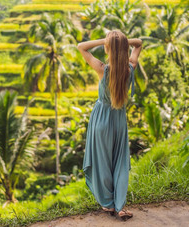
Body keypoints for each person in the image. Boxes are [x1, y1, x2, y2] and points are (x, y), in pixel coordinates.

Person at [77, 30, 142, 221]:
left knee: (102, 162)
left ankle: (108, 204)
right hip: (119, 121)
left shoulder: (102, 68)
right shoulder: (130, 66)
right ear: (123, 48)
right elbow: (139, 43)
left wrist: (109, 41)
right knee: (120, 162)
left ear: (107, 48)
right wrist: (120, 42)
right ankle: (120, 207)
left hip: (101, 119)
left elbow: (81, 47)